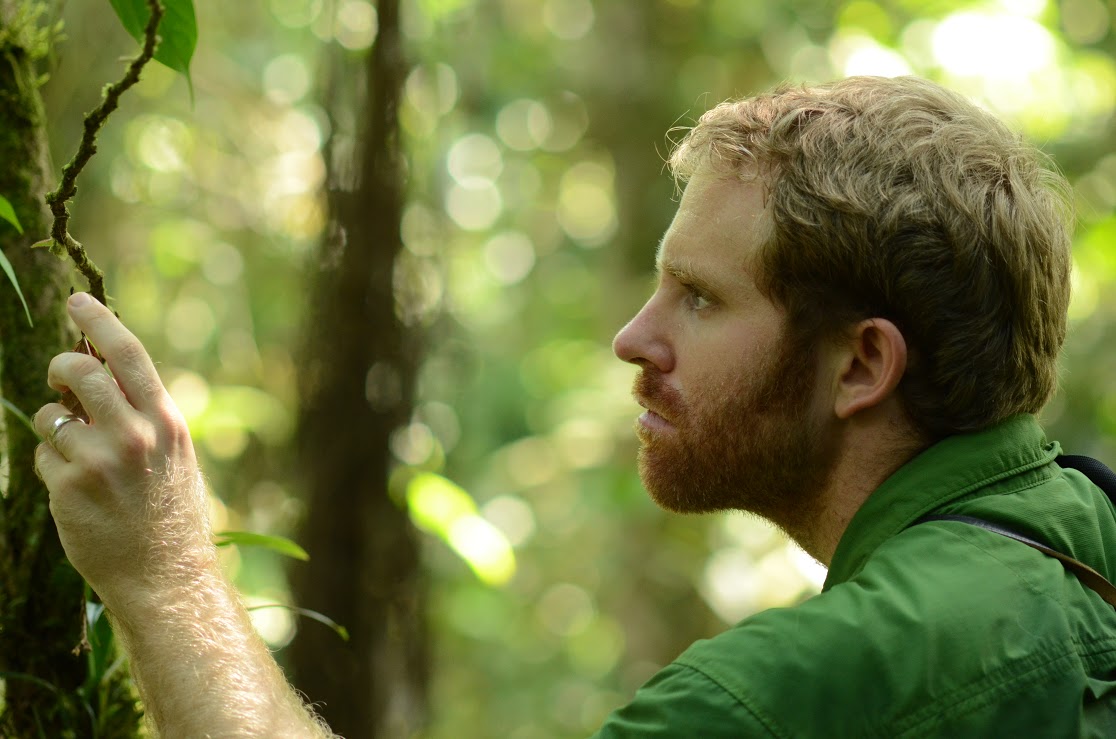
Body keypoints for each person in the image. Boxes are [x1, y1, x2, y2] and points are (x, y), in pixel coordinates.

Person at [33, 75, 1114, 737]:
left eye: (700, 298)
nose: (633, 340)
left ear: (860, 365)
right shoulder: (1079, 544)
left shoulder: (791, 693)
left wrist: (164, 569)